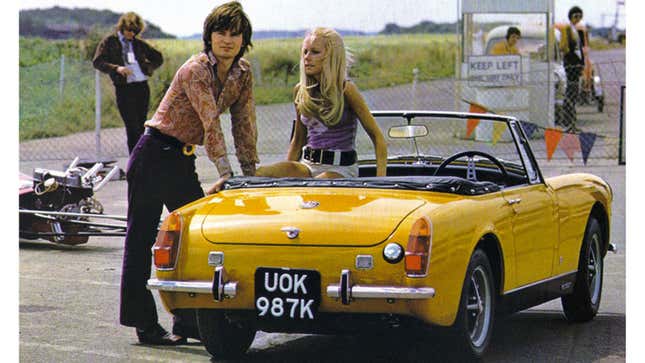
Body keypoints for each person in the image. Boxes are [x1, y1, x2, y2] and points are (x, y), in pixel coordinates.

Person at [120, 1, 257, 345]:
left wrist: (251, 175)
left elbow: (244, 124)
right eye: (219, 32)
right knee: (141, 240)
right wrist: (225, 171)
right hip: (153, 153)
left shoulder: (243, 73)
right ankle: (144, 324)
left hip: (181, 160)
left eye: (234, 33)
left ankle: (188, 320)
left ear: (244, 39)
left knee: (195, 237)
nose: (226, 40)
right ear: (208, 37)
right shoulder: (195, 69)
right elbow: (211, 121)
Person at [256, 27, 387, 179]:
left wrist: (380, 182)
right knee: (259, 174)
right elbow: (298, 140)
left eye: (315, 52)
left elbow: (378, 138)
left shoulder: (346, 89)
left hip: (340, 170)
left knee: (318, 185)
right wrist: (286, 180)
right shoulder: (300, 90)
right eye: (305, 52)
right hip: (307, 165)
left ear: (331, 56)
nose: (307, 57)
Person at [93, 12, 163, 154]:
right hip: (124, 88)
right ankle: (134, 163)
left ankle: (142, 161)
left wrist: (147, 68)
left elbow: (158, 57)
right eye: (130, 30)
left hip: (142, 87)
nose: (132, 34)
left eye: (135, 31)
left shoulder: (138, 43)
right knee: (132, 128)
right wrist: (117, 68)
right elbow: (98, 62)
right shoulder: (110, 41)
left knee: (141, 126)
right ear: (122, 27)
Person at [559, 6, 585, 132]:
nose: (578, 19)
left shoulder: (576, 30)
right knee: (570, 93)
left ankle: (572, 123)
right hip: (571, 65)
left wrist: (581, 63)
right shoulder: (567, 29)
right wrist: (572, 59)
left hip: (576, 64)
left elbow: (580, 49)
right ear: (570, 16)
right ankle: (568, 123)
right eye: (575, 16)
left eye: (580, 16)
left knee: (574, 94)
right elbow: (563, 47)